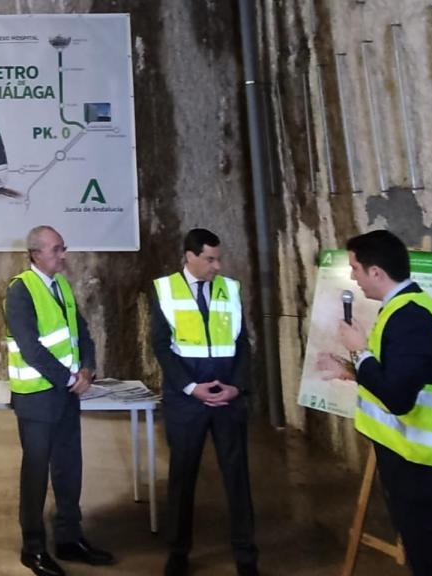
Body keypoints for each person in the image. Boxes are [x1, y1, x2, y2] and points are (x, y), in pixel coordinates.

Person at [317, 229, 432, 576]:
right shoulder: (401, 310)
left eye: (356, 269)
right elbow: (398, 377)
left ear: (376, 272)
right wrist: (351, 371)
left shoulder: (411, 319)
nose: (353, 277)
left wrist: (360, 351)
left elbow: (397, 397)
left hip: (430, 474)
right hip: (416, 467)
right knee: (427, 562)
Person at [4, 225, 114, 576]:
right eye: (56, 249)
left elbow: (82, 333)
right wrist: (70, 378)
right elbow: (30, 348)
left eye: (63, 248)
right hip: (37, 399)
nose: (63, 255)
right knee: (36, 475)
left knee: (69, 470)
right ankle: (33, 548)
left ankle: (69, 538)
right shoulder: (20, 291)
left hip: (66, 396)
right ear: (35, 254)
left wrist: (88, 369)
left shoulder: (62, 286)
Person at [150, 228, 258, 576]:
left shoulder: (230, 289)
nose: (217, 266)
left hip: (227, 397)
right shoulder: (164, 289)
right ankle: (178, 551)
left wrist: (236, 387)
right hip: (187, 401)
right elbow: (161, 345)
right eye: (210, 259)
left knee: (237, 476)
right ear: (189, 256)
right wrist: (189, 387)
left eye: (218, 259)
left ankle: (246, 554)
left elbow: (242, 343)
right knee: (182, 477)